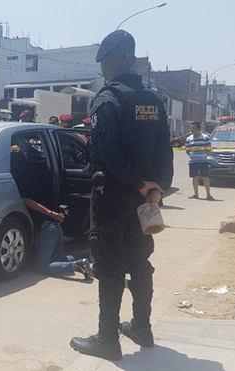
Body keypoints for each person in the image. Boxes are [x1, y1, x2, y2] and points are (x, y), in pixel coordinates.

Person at [69, 30, 173, 361]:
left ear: (114, 62)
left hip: (113, 195)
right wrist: (156, 186)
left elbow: (108, 153)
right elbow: (164, 151)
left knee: (109, 266)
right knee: (140, 261)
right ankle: (141, 328)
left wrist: (138, 181)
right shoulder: (155, 101)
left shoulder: (107, 98)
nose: (103, 71)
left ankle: (107, 339)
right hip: (145, 201)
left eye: (104, 64)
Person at [23, 198, 92, 279]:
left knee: (43, 266)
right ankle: (89, 256)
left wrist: (53, 214)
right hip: (55, 227)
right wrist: (53, 215)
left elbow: (32, 204)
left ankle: (76, 266)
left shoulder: (19, 201)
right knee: (57, 259)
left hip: (46, 231)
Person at [185, 122, 213, 200]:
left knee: (205, 177)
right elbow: (187, 150)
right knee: (195, 178)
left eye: (193, 128)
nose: (192, 130)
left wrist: (202, 155)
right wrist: (193, 156)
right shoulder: (189, 139)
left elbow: (209, 149)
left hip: (203, 161)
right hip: (193, 162)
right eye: (191, 128)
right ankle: (196, 194)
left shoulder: (205, 137)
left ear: (198, 129)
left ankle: (208, 195)